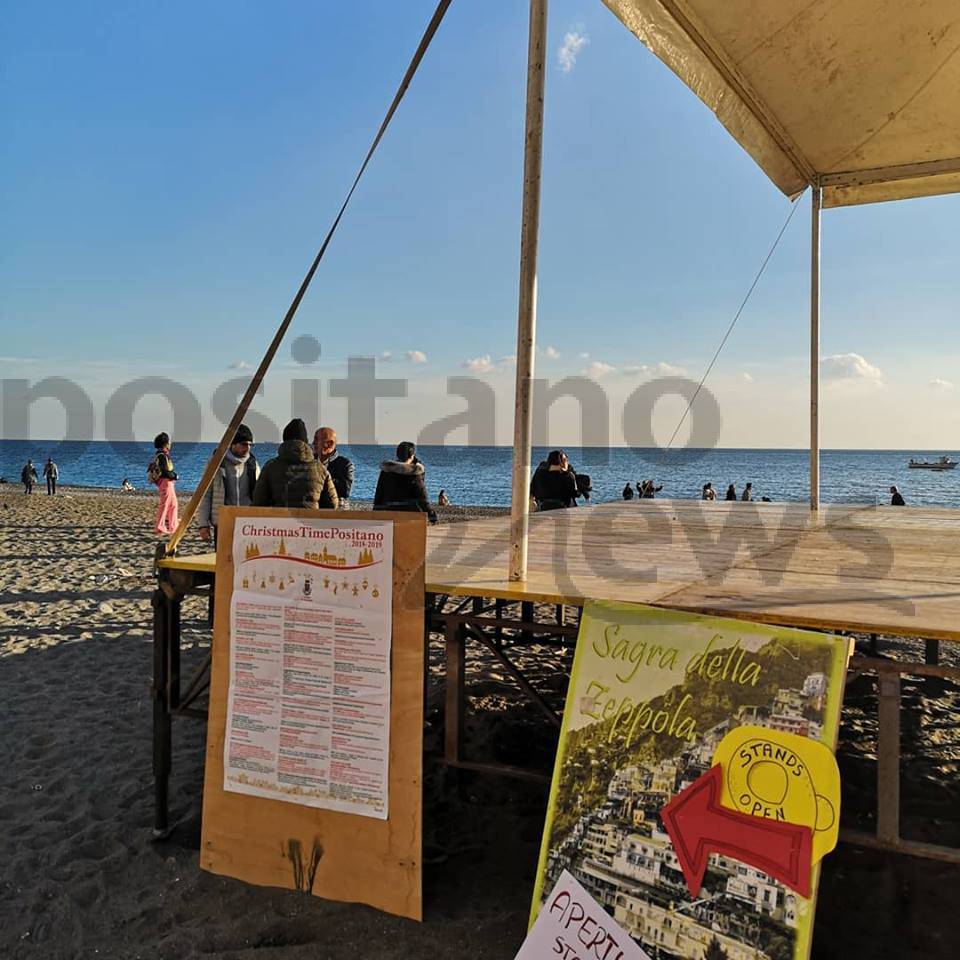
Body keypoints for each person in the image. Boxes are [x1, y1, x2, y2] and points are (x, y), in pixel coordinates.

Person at [254, 419, 338, 510]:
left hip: (279, 522)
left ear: (285, 440)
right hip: (310, 522)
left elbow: (258, 501)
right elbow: (332, 504)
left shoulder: (271, 466)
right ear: (305, 441)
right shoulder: (320, 469)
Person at [198, 425, 260, 544]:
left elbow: (260, 494)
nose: (247, 448)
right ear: (233, 444)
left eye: (250, 445)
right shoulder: (216, 463)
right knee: (222, 561)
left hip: (247, 524)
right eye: (243, 444)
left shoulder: (253, 464)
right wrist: (203, 524)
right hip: (222, 522)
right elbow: (206, 493)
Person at [374, 441, 436, 520]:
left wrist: (376, 511)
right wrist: (431, 513)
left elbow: (379, 493)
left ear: (397, 455)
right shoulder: (414, 472)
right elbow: (422, 497)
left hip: (388, 511)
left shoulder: (386, 470)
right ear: (412, 455)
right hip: (409, 513)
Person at [313, 427, 354, 509]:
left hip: (335, 510)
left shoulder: (345, 464)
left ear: (330, 444)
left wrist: (322, 477)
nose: (313, 443)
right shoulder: (310, 461)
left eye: (317, 440)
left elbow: (345, 491)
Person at [152, 433, 179, 535]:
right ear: (165, 444)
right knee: (165, 504)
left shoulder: (161, 455)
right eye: (169, 442)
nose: (170, 443)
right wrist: (175, 476)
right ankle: (160, 526)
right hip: (166, 483)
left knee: (173, 504)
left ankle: (173, 525)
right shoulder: (162, 456)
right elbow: (164, 471)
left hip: (167, 483)